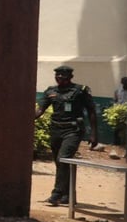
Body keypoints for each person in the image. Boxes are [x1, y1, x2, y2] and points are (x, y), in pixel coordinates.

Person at [36, 65, 99, 205]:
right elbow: (40, 110)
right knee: (61, 163)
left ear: (70, 77)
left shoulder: (80, 91)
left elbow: (91, 111)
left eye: (62, 76)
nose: (59, 78)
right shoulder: (50, 91)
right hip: (56, 130)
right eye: (57, 76)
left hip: (73, 130)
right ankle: (67, 195)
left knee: (63, 159)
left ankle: (56, 194)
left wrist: (94, 134)